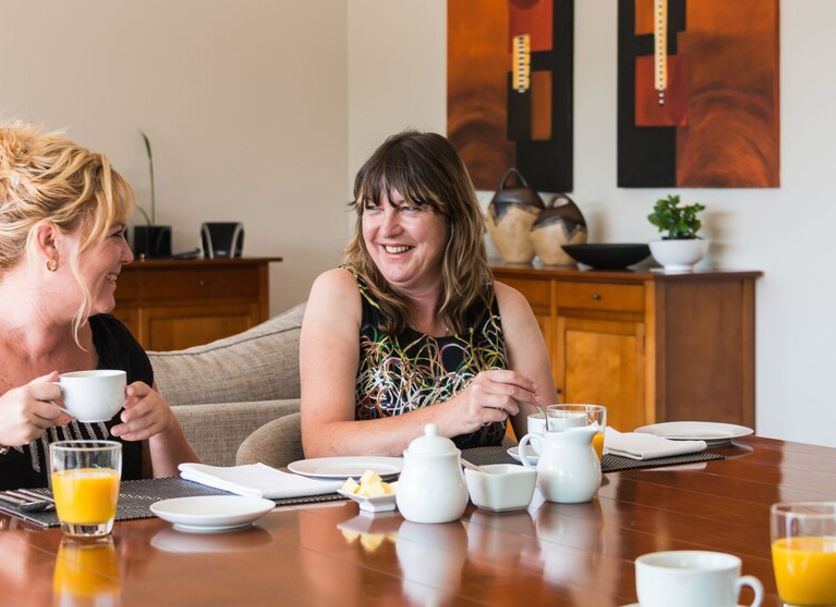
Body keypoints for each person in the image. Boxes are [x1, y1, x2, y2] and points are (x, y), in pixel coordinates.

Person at [300, 130, 556, 457]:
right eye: (373, 208)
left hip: (480, 491)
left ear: (453, 217)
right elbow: (321, 445)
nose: (387, 228)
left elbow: (548, 443)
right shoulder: (340, 292)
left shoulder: (504, 306)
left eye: (408, 208)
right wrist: (449, 416)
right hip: (372, 491)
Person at [0, 121, 198, 490]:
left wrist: (164, 428)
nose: (129, 254)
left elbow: (185, 498)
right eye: (115, 235)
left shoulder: (113, 342)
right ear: (49, 242)